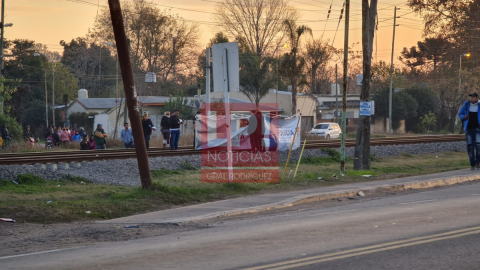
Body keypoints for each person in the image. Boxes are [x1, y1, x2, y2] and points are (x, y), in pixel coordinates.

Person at [459, 93, 480, 170]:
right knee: (470, 147)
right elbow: (460, 114)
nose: (471, 99)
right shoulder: (466, 105)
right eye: (471, 97)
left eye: (473, 97)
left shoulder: (479, 105)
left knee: (478, 146)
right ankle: (472, 164)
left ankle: (478, 162)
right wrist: (463, 117)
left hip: (478, 129)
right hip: (469, 129)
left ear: (477, 98)